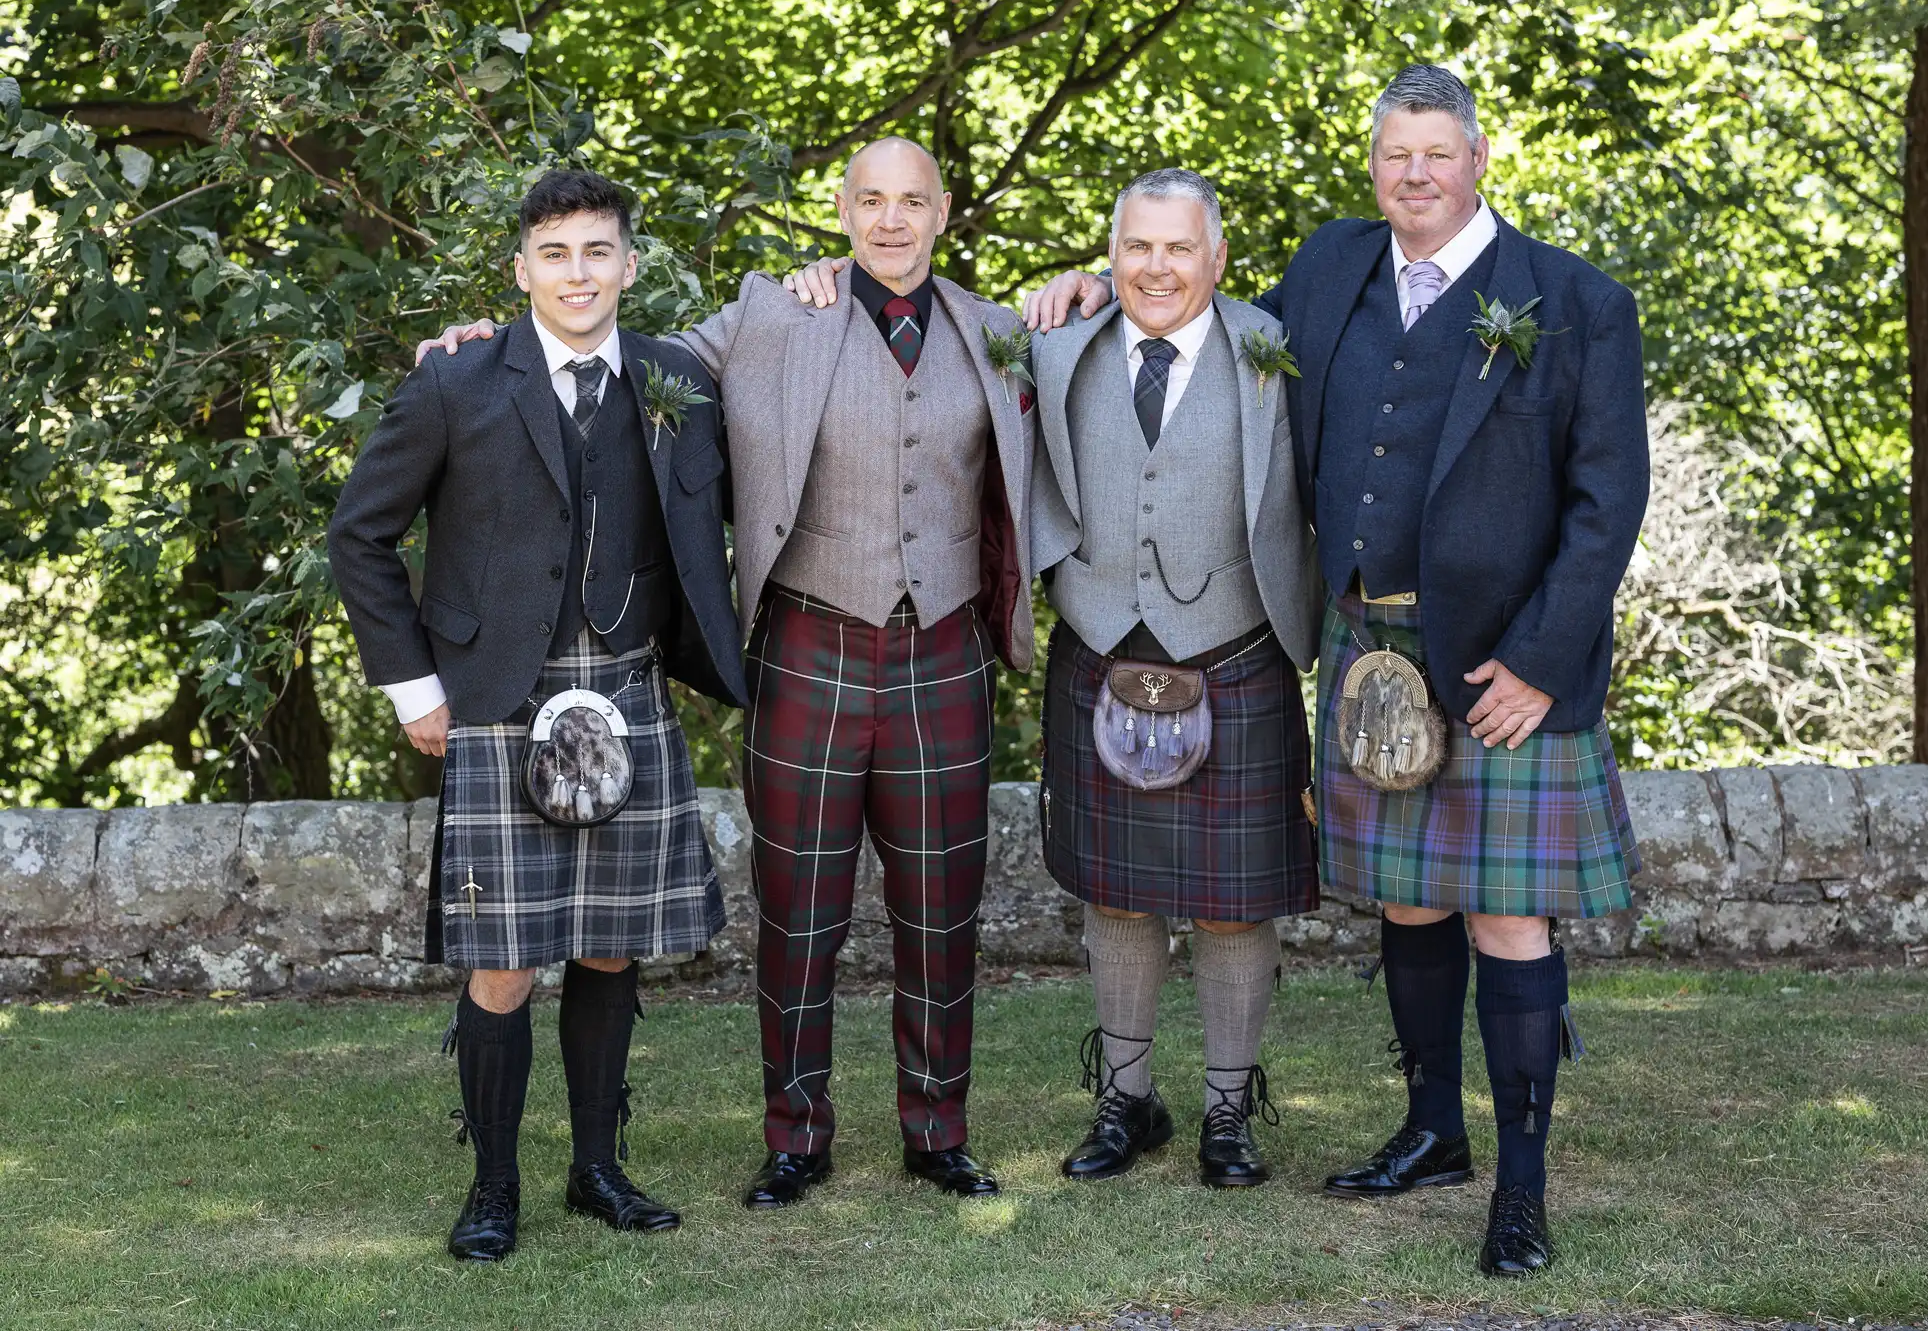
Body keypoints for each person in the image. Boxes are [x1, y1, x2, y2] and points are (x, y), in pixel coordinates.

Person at [1026, 64, 1649, 1277]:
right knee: (1409, 903)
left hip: (1503, 662)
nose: (1411, 177)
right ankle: (1430, 1130)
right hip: (1368, 643)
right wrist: (1107, 284)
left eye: (1434, 155)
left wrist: (1537, 661)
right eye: (1391, 156)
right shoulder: (1330, 270)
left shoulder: (1571, 302)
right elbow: (1205, 310)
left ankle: (1518, 1187)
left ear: (1477, 159)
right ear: (1373, 164)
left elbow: (1605, 501)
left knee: (1508, 918)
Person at [419, 137, 1037, 1209]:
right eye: (868, 201)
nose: (889, 220)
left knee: (941, 909)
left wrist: (1082, 285)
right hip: (806, 645)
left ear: (942, 212)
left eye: (911, 202)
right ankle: (795, 1134)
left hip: (943, 650)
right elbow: (612, 352)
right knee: (798, 907)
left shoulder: (999, 333)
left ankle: (937, 1128)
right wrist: (482, 343)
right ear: (840, 211)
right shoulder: (768, 314)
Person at [785, 167, 1320, 1187]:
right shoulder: (1049, 341)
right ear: (1108, 255)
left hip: (1236, 647)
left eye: (1177, 248)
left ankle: (1224, 1113)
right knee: (1115, 897)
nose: (1154, 267)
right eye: (1134, 247)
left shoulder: (1273, 349)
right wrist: (823, 272)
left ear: (1216, 257)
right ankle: (1125, 1104)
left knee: (1230, 904)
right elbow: (908, 325)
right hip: (1097, 645)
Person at [331, 170, 743, 1261]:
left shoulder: (673, 379)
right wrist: (417, 689)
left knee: (611, 948)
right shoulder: (457, 381)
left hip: (629, 687)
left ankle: (597, 1170)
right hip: (496, 695)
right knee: (504, 958)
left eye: (598, 251)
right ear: (520, 271)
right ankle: (493, 1184)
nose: (578, 273)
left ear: (629, 265)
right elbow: (358, 536)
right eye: (554, 254)